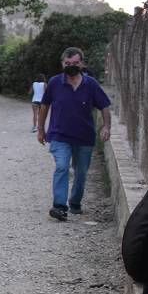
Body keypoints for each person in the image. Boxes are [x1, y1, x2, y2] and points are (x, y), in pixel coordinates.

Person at [37, 47, 112, 222]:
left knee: (81, 173)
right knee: (62, 166)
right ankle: (60, 207)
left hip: (84, 137)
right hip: (59, 135)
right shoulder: (55, 83)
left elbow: (104, 106)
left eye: (75, 63)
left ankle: (75, 202)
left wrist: (106, 126)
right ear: (62, 64)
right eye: (67, 63)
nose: (71, 66)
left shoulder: (91, 84)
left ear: (82, 64)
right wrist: (41, 129)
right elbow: (44, 106)